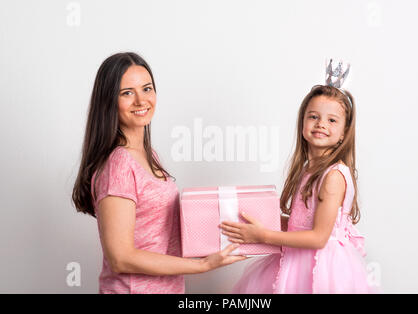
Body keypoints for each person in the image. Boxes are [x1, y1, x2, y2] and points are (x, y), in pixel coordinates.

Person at [72, 52, 245, 294]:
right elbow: (120, 257)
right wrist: (202, 265)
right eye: (127, 93)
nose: (141, 101)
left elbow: (160, 230)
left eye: (147, 89)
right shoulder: (119, 164)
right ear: (108, 101)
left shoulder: (150, 155)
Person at [221, 70, 379, 293]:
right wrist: (263, 217)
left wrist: (262, 235)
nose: (321, 124)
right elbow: (299, 223)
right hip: (295, 259)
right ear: (302, 122)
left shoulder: (333, 176)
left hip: (320, 266)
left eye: (332, 120)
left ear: (344, 132)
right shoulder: (307, 169)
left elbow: (318, 237)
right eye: (314, 116)